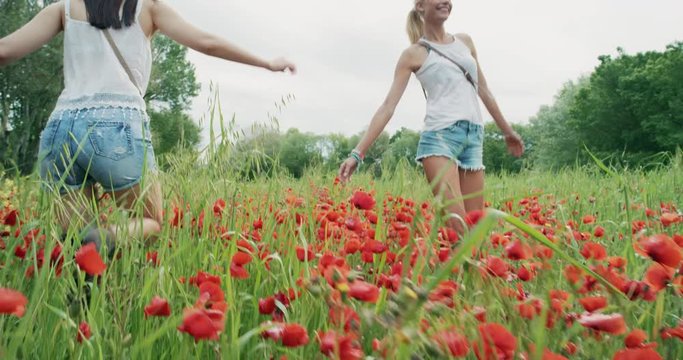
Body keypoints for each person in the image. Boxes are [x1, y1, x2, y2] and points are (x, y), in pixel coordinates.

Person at [0, 0, 296, 249]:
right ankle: (104, 239)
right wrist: (266, 63)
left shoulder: (64, 8)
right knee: (149, 222)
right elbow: (208, 43)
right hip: (116, 126)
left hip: (60, 129)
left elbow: (5, 50)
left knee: (74, 242)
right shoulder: (147, 8)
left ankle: (82, 306)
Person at [339, 0, 523, 233]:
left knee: (476, 233)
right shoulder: (414, 54)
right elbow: (388, 106)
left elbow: (483, 90)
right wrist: (357, 153)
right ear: (420, 6)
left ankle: (470, 270)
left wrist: (507, 131)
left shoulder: (465, 42)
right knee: (459, 231)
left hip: (474, 137)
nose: (446, 1)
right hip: (440, 139)